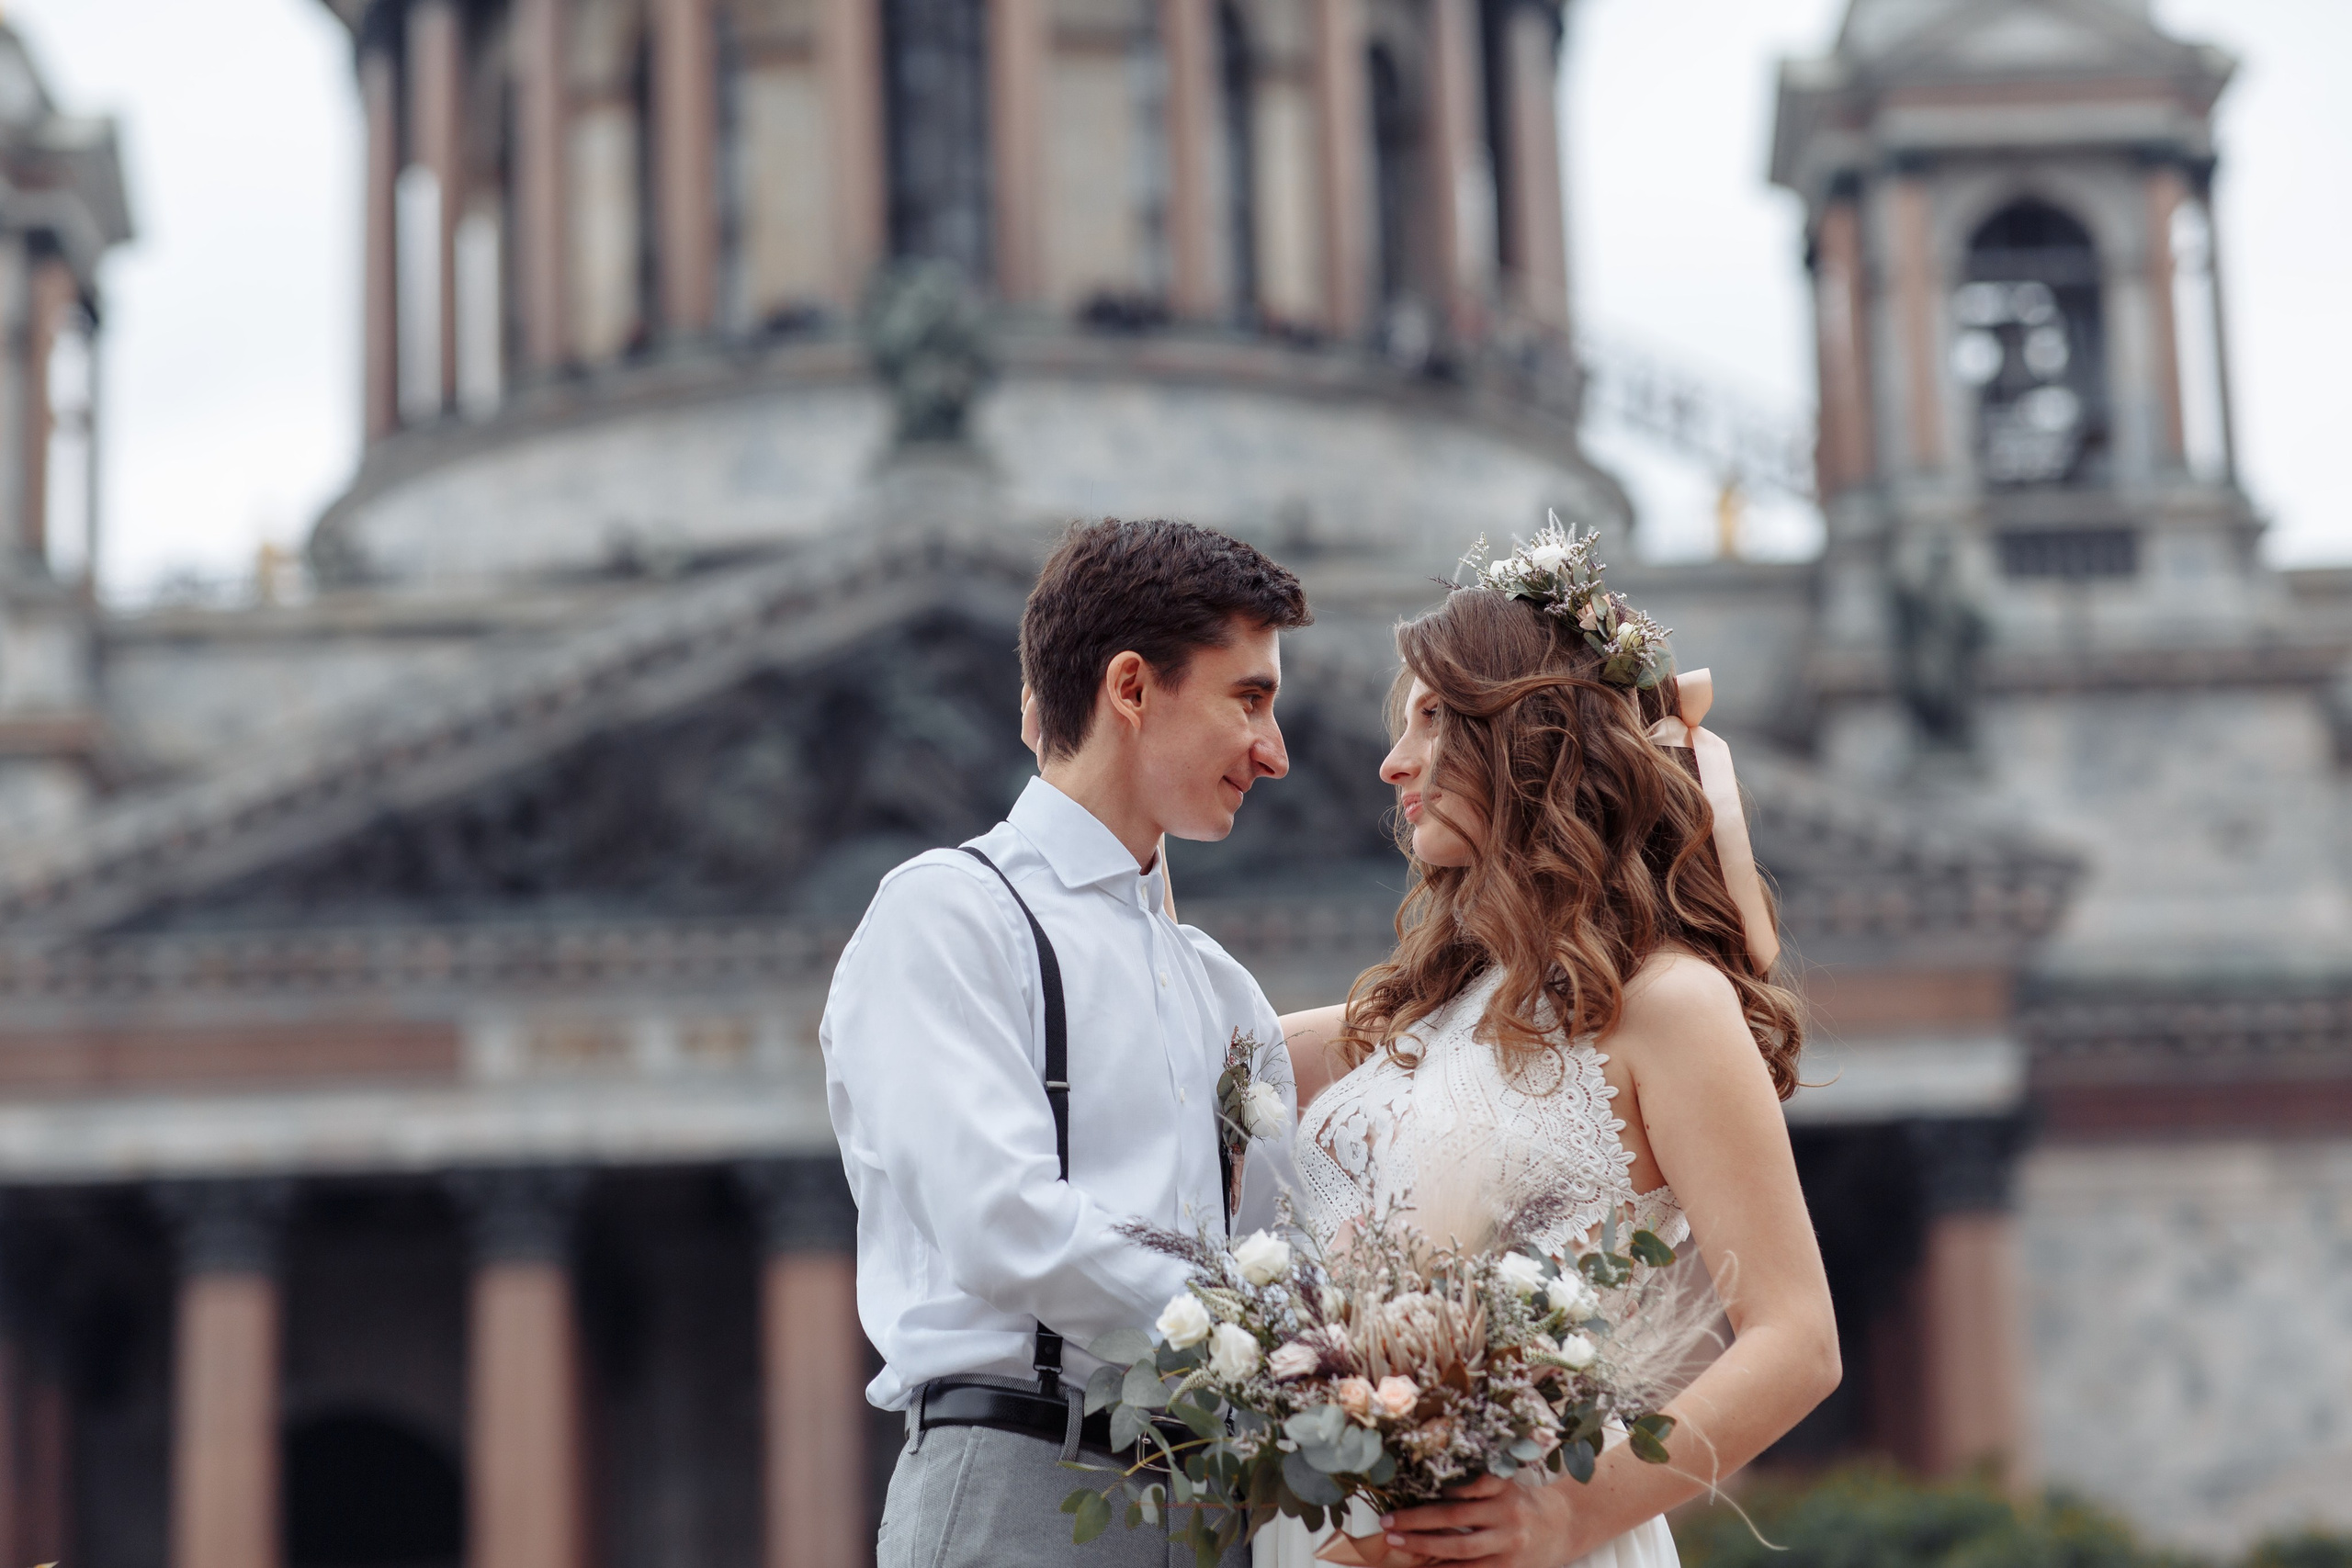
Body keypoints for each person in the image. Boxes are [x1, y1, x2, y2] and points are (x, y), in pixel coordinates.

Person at [1267, 528, 1840, 1568]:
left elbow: (1797, 1340)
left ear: (1528, 735)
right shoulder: (1413, 1023)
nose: (1394, 762)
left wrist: (1576, 1515)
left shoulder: (1670, 1006)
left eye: (1434, 720)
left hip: (1540, 1536)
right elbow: (1186, 1031)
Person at [823, 517, 1314, 1568]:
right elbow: (1003, 1226)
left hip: (1220, 1502)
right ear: (1130, 689)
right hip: (1022, 1484)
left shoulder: (1219, 984)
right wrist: (1266, 1341)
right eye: (1250, 699)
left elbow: (1283, 1239)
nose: (1275, 754)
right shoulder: (949, 915)